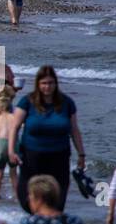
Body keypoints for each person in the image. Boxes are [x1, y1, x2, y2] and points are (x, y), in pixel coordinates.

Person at [5, 66, 82, 214]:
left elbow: (74, 130)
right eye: (44, 83)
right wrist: (11, 151)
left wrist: (81, 154)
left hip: (59, 155)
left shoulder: (66, 103)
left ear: (56, 83)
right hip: (32, 155)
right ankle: (35, 217)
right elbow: (14, 127)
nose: (47, 86)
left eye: (51, 83)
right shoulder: (27, 102)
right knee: (27, 193)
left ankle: (53, 220)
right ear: (38, 84)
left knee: (58, 193)